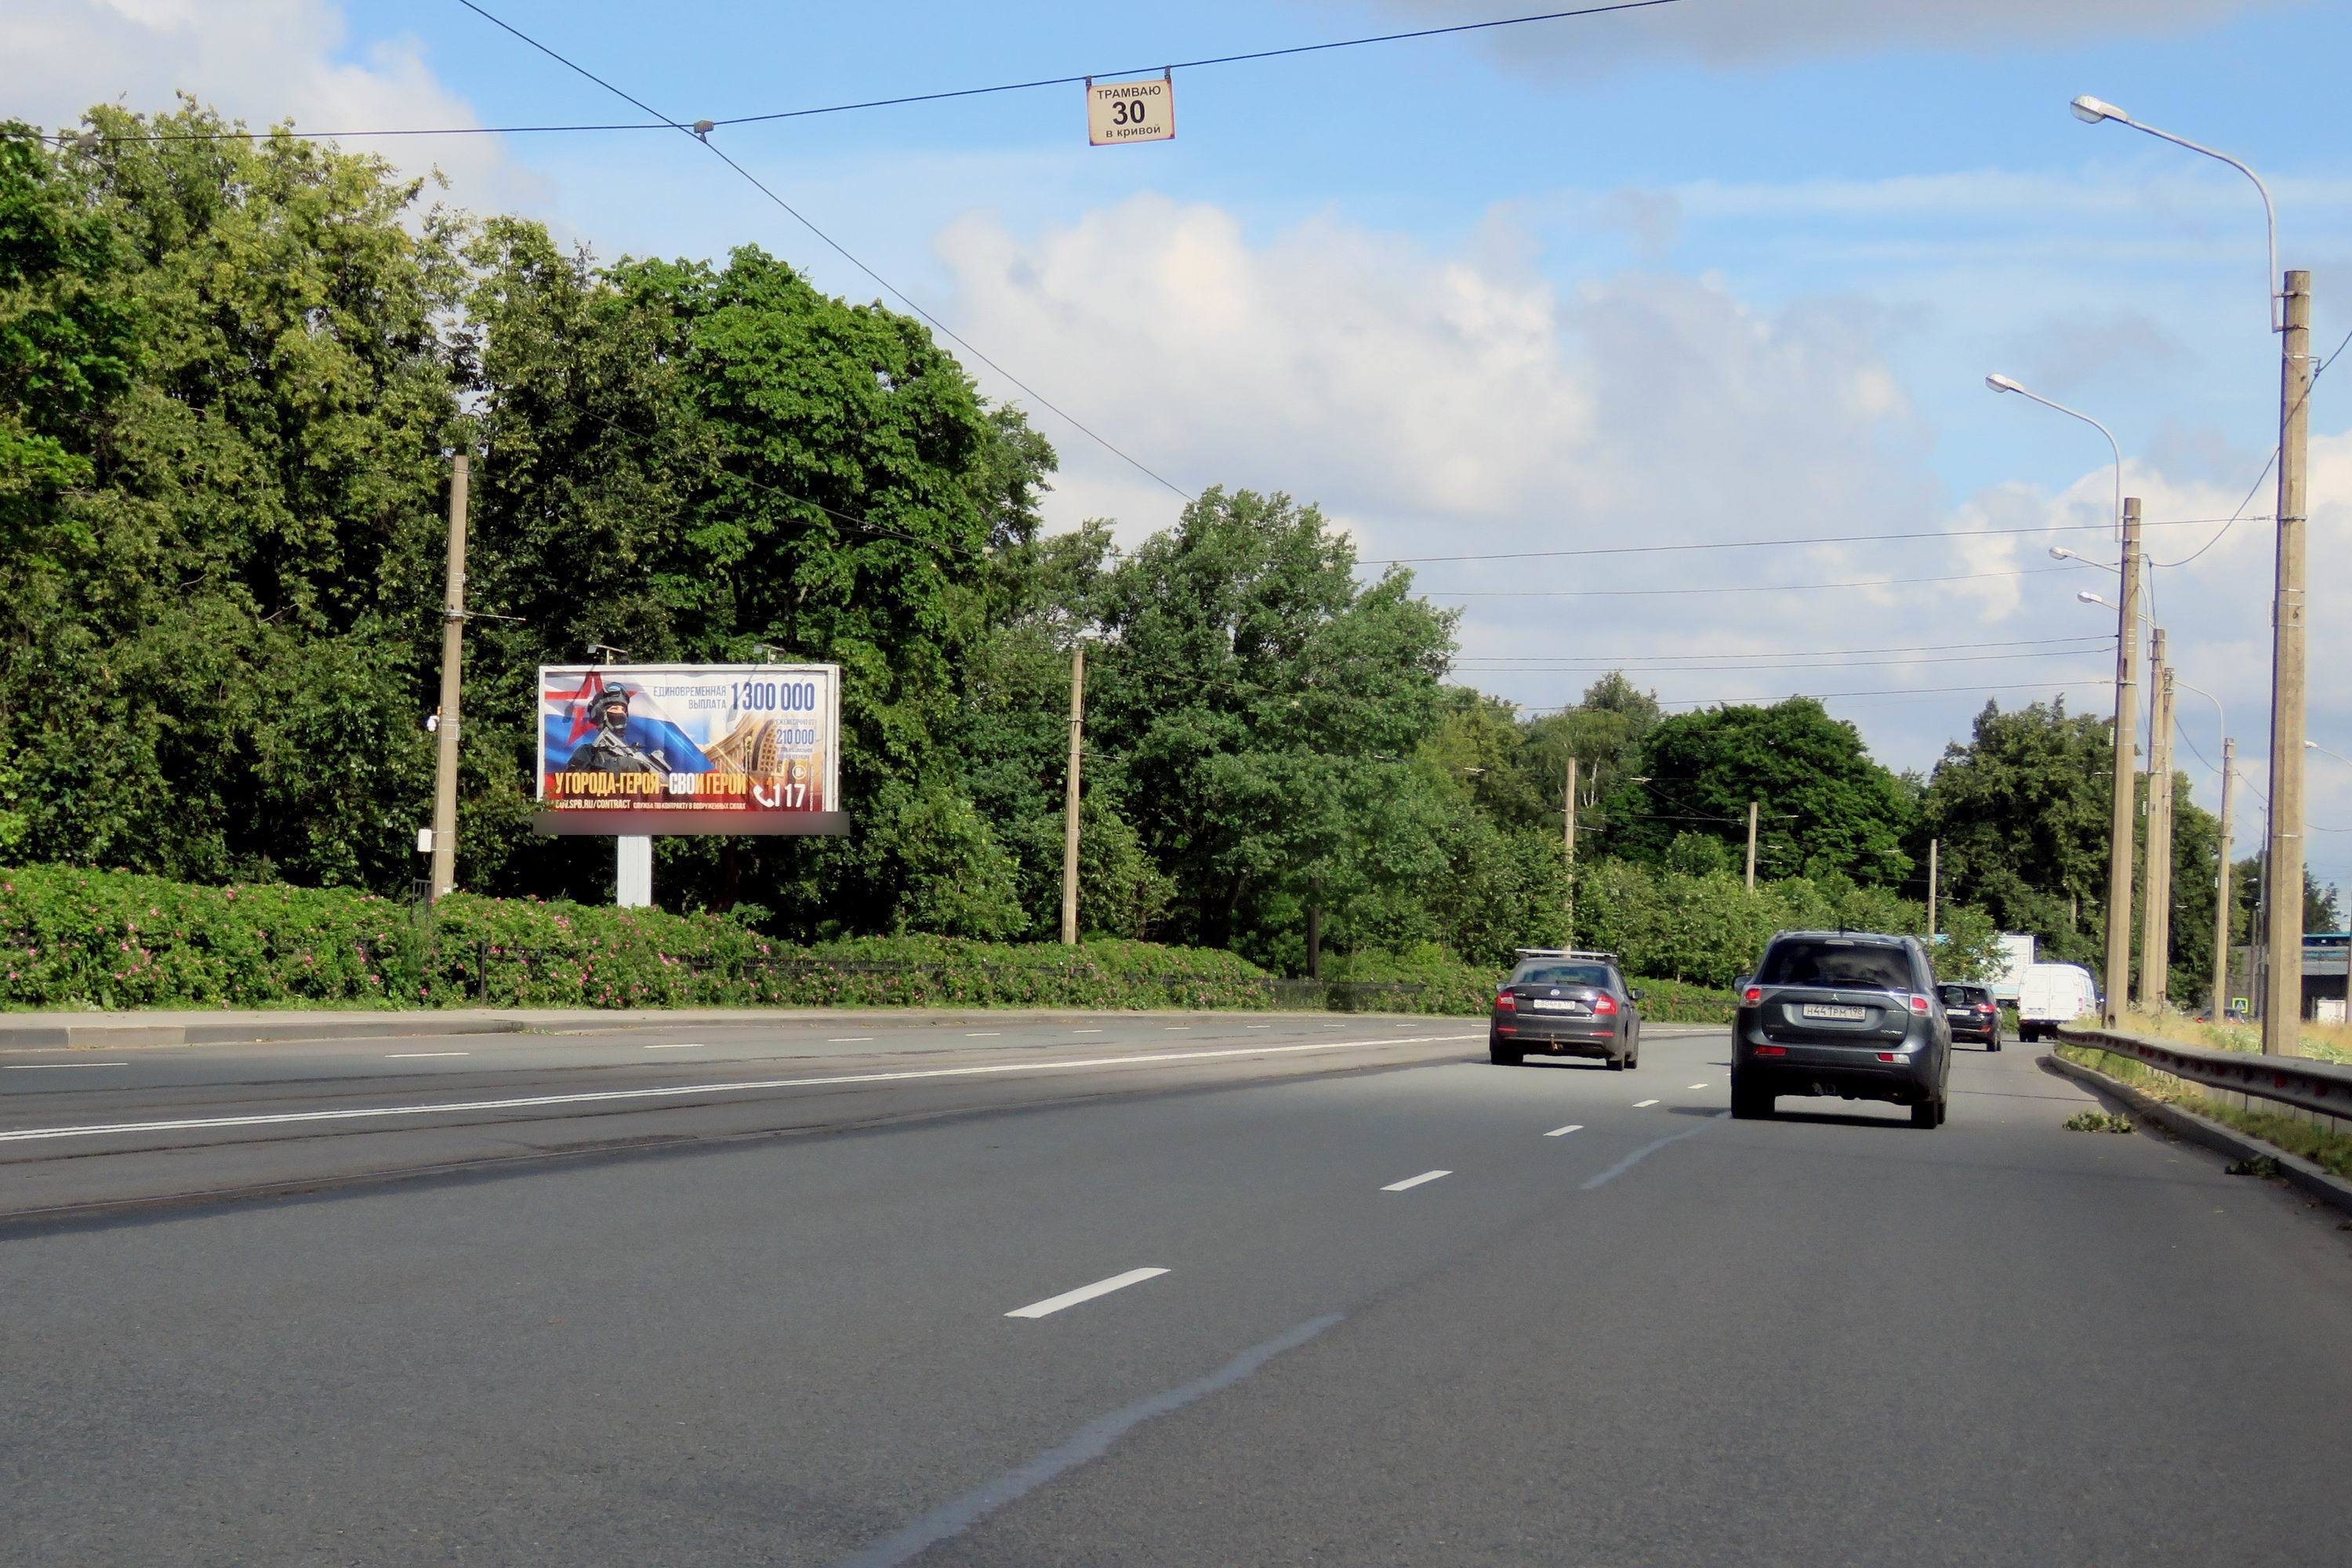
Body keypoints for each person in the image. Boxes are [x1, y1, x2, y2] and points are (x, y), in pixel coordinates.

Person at [564, 683, 666, 774]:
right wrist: (614, 767)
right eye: (614, 709)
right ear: (601, 714)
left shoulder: (634, 754)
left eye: (623, 709)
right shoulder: (587, 753)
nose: (621, 713)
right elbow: (572, 784)